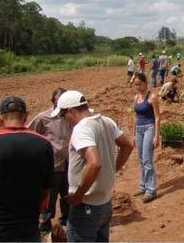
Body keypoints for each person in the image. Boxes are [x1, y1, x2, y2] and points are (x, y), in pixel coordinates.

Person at [53, 90, 133, 242]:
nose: (64, 120)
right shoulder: (106, 121)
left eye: (63, 116)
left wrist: (78, 195)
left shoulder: (82, 128)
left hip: (86, 207)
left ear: (70, 111)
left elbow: (94, 163)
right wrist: (112, 169)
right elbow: (127, 146)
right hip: (104, 204)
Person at [0, 96, 54, 242]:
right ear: (26, 116)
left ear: (0, 118)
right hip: (28, 232)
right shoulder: (44, 144)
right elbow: (45, 192)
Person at [27, 88, 70, 235]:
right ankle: (45, 225)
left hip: (69, 163)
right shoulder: (43, 118)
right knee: (49, 197)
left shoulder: (70, 115)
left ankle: (66, 220)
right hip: (52, 165)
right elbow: (30, 134)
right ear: (53, 101)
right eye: (59, 100)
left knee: (68, 193)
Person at [133, 73, 161, 203]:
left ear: (146, 83)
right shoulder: (136, 97)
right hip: (139, 130)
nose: (137, 87)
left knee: (147, 160)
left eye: (139, 84)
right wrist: (133, 134)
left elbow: (157, 117)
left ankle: (151, 190)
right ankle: (143, 186)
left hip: (149, 128)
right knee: (140, 160)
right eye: (136, 84)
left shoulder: (152, 97)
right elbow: (136, 117)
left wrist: (156, 136)